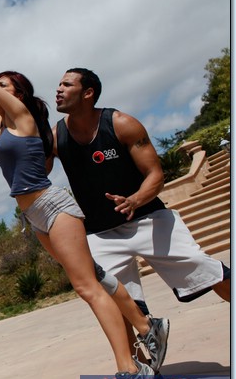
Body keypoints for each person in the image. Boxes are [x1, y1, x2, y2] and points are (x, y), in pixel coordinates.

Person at [0, 21, 154, 379]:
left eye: (3, 86)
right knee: (93, 276)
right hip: (33, 216)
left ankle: (129, 371)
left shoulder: (23, 118)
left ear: (16, 95)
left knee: (86, 288)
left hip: (53, 206)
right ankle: (147, 324)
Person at [52, 68, 231, 360]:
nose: (58, 89)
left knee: (204, 268)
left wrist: (135, 199)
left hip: (148, 218)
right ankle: (141, 370)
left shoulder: (121, 124)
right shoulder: (56, 137)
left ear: (88, 93)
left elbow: (155, 175)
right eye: (58, 84)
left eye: (66, 84)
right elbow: (34, 166)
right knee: (115, 302)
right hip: (100, 233)